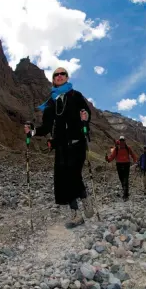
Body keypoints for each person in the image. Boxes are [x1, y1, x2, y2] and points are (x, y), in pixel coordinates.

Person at [24, 67, 94, 229]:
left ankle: (84, 198)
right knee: (64, 180)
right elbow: (46, 127)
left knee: (74, 175)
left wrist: (85, 116)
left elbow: (86, 112)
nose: (60, 76)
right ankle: (76, 214)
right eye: (57, 74)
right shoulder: (51, 103)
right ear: (53, 79)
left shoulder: (76, 95)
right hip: (61, 146)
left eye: (63, 74)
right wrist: (32, 131)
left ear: (67, 78)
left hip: (77, 142)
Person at [105, 136, 137, 201]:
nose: (122, 141)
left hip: (120, 164)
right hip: (126, 164)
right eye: (121, 140)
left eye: (122, 140)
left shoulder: (119, 148)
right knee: (124, 179)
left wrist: (108, 159)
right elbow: (133, 155)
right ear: (120, 141)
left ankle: (125, 194)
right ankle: (126, 193)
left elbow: (112, 157)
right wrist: (135, 160)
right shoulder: (126, 148)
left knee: (123, 179)